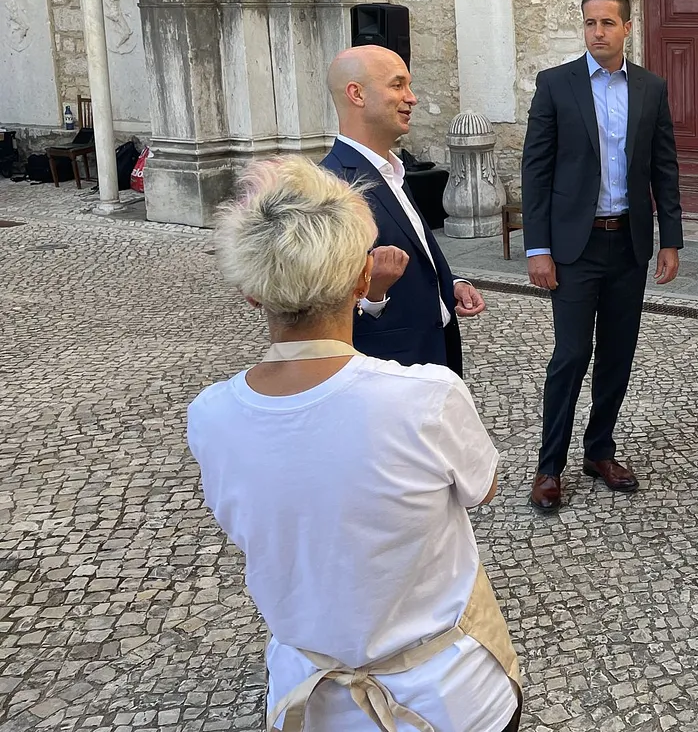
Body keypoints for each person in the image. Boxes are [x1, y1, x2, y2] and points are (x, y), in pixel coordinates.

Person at [187, 155, 520, 732]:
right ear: (365, 279)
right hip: (450, 697)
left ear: (250, 293)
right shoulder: (425, 396)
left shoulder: (210, 415)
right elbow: (483, 489)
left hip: (309, 701)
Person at [521, 0, 683, 513]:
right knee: (571, 355)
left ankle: (600, 450)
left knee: (617, 355)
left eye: (608, 23)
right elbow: (536, 169)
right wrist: (537, 248)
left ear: (627, 27)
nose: (598, 32)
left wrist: (671, 239)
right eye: (590, 23)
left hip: (628, 244)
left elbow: (664, 167)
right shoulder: (556, 85)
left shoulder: (652, 89)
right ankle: (550, 468)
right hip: (574, 245)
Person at [321, 45, 486, 374]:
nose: (412, 98)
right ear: (357, 94)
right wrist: (374, 293)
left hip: (434, 359)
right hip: (389, 371)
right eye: (397, 85)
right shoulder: (330, 188)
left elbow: (412, 254)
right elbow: (322, 316)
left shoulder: (392, 173)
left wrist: (449, 284)